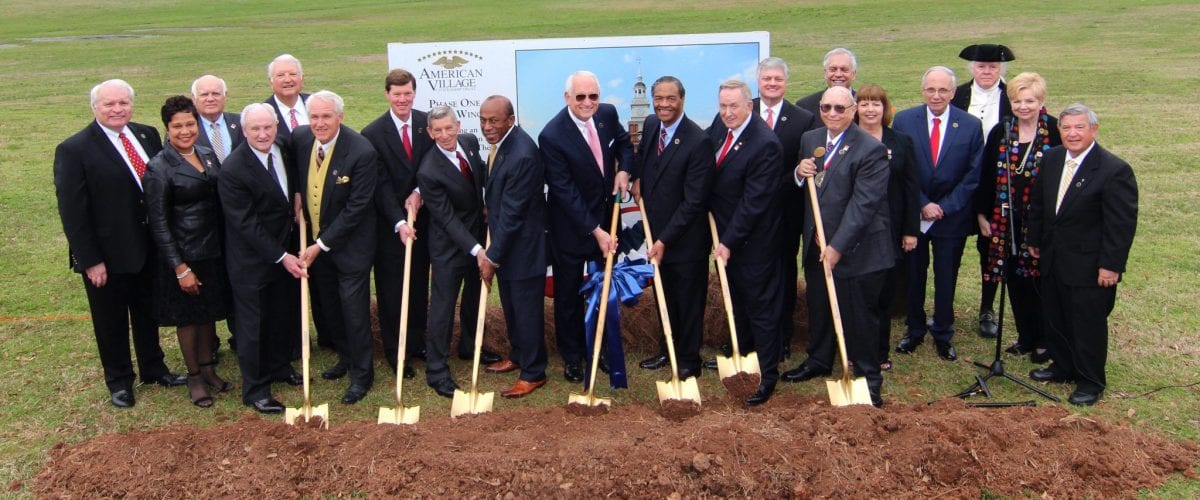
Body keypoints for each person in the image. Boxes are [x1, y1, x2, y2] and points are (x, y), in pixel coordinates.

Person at [54, 79, 185, 409]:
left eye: (123, 103)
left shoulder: (146, 135)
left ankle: (154, 368)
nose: (117, 110)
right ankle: (119, 380)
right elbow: (73, 210)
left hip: (147, 248)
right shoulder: (75, 149)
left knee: (147, 312)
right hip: (107, 256)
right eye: (109, 104)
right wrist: (90, 259)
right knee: (110, 320)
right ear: (94, 107)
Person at [780, 87, 893, 407]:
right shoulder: (811, 139)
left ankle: (869, 378)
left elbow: (863, 206)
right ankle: (818, 360)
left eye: (840, 108)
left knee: (859, 317)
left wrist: (837, 247)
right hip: (818, 243)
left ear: (853, 109)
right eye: (826, 107)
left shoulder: (870, 149)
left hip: (858, 250)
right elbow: (808, 184)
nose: (832, 113)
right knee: (820, 306)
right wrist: (799, 175)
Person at [1027, 104, 1137, 406]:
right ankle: (1062, 366)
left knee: (1086, 324)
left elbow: (1120, 225)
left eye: (1079, 127)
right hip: (1052, 257)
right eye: (1066, 128)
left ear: (1093, 129)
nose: (1072, 133)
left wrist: (1110, 266)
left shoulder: (1114, 170)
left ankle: (1090, 381)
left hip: (1089, 265)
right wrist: (1033, 239)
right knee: (1056, 316)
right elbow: (1038, 204)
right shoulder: (1051, 159)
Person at [540, 70, 634, 383]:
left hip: (607, 221)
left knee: (604, 289)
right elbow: (565, 192)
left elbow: (624, 144)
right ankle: (573, 356)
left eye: (593, 96)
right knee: (568, 295)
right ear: (568, 98)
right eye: (580, 97)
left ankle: (604, 350)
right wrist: (596, 230)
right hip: (571, 228)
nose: (587, 102)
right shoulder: (552, 136)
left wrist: (625, 172)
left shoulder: (607, 114)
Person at [144, 96, 232, 408]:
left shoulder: (207, 155)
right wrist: (179, 267)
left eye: (190, 124)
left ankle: (209, 369)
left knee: (208, 313)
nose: (185, 131)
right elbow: (159, 223)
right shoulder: (159, 167)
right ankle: (194, 376)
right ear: (167, 129)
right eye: (177, 126)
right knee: (188, 318)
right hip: (184, 254)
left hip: (212, 250)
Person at [292, 90, 379, 405]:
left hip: (350, 247)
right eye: (314, 116)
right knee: (330, 307)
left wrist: (322, 245)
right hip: (317, 243)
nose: (319, 123)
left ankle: (362, 374)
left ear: (340, 117)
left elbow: (357, 208)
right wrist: (297, 194)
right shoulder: (301, 140)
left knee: (354, 310)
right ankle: (345, 356)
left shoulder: (361, 152)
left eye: (326, 116)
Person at [218, 103, 305, 414]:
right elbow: (246, 224)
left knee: (281, 313)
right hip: (251, 260)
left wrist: (296, 195)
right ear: (244, 131)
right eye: (255, 129)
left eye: (268, 127)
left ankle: (280, 365)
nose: (263, 133)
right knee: (252, 324)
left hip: (285, 250)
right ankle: (255, 389)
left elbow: (290, 184)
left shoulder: (282, 147)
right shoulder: (233, 169)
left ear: (276, 127)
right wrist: (282, 256)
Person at [892, 66, 984, 362]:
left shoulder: (970, 125)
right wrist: (922, 203)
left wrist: (944, 206)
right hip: (915, 216)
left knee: (947, 277)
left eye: (943, 90)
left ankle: (943, 332)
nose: (936, 95)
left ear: (953, 93)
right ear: (922, 91)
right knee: (914, 276)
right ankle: (914, 329)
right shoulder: (905, 120)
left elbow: (973, 174)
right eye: (931, 89)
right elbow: (901, 168)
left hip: (951, 217)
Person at [631, 76, 715, 380]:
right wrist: (638, 177)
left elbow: (694, 202)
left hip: (685, 240)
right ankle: (669, 349)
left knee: (688, 301)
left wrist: (665, 239)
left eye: (671, 99)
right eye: (659, 98)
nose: (664, 104)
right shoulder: (653, 125)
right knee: (665, 297)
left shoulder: (698, 141)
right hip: (657, 234)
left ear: (682, 99)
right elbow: (642, 158)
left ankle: (689, 360)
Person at [706, 79, 784, 406]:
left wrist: (728, 242)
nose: (726, 113)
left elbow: (753, 204)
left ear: (749, 106)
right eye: (722, 106)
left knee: (761, 308)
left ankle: (766, 374)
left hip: (754, 243)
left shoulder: (765, 144)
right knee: (736, 300)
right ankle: (742, 356)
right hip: (725, 237)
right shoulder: (719, 127)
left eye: (733, 106)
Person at [974, 72, 1061, 363]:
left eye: (1030, 101)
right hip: (1005, 220)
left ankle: (1044, 339)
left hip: (1042, 222)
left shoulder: (1054, 129)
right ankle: (1025, 337)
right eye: (1017, 101)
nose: (1024, 107)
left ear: (1041, 101)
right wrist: (982, 214)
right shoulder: (1002, 130)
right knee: (1014, 278)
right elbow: (986, 175)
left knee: (1038, 281)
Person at [361, 69, 439, 380]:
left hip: (423, 222)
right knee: (394, 292)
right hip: (391, 228)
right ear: (387, 95)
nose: (403, 99)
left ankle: (417, 341)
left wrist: (419, 193)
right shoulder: (373, 133)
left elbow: (433, 165)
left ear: (414, 93)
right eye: (397, 94)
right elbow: (378, 185)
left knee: (419, 286)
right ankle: (397, 352)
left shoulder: (426, 124)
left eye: (407, 93)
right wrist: (398, 222)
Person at [476, 96, 550, 398]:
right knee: (512, 308)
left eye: (494, 120)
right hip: (509, 248)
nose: (487, 126)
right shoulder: (504, 145)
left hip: (523, 249)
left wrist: (491, 258)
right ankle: (518, 356)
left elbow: (513, 213)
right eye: (483, 120)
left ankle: (534, 372)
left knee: (527, 312)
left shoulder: (521, 153)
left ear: (510, 119)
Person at [415, 105, 489, 398]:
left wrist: (486, 204)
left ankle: (470, 347)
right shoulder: (429, 170)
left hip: (477, 235)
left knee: (474, 293)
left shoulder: (469, 143)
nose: (445, 135)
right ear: (430, 133)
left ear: (458, 125)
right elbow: (445, 218)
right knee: (444, 305)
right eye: (438, 131)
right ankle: (436, 369)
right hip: (449, 245)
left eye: (449, 128)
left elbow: (479, 179)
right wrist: (476, 250)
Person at [850, 84, 920, 371]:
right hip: (855, 231)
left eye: (875, 103)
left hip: (890, 231)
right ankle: (856, 352)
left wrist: (910, 230)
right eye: (864, 103)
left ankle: (879, 353)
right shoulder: (847, 141)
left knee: (884, 295)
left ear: (884, 108)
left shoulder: (901, 141)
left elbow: (911, 188)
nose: (869, 109)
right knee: (858, 297)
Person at [949, 43, 1017, 339]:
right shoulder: (958, 94)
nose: (986, 71)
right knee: (949, 246)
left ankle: (987, 307)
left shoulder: (1012, 97)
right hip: (958, 180)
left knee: (990, 248)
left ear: (1001, 69)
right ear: (972, 68)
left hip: (995, 183)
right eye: (981, 66)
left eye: (992, 66)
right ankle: (944, 308)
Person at [757, 57, 818, 362]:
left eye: (778, 79)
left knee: (782, 275)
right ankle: (745, 338)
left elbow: (805, 166)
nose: (772, 83)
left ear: (786, 83)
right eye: (767, 78)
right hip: (746, 215)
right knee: (748, 275)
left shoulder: (803, 119)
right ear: (758, 81)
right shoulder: (741, 109)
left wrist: (794, 175)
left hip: (784, 213)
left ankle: (781, 337)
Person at [191, 75, 244, 163]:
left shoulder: (241, 123)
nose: (210, 99)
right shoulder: (186, 130)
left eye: (216, 94)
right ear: (194, 98)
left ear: (225, 96)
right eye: (204, 94)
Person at [794, 48, 859, 117]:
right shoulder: (805, 106)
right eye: (833, 69)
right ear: (825, 73)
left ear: (853, 74)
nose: (838, 74)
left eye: (844, 70)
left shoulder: (864, 105)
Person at [264, 54, 309, 142]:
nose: (288, 80)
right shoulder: (263, 113)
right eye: (281, 75)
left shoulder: (316, 104)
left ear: (302, 79)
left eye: (292, 74)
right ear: (271, 82)